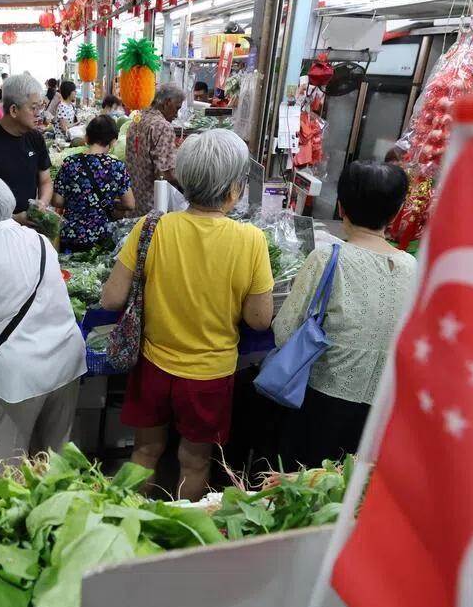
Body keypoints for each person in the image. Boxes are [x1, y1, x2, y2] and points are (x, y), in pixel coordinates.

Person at [100, 130, 275, 498]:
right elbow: (260, 319)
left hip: (153, 365)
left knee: (144, 452)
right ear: (234, 189)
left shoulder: (151, 228)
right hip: (210, 375)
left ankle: (129, 518)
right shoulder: (251, 241)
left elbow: (111, 299)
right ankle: (181, 525)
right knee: (194, 461)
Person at [274, 160, 416, 468]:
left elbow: (284, 333)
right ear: (396, 213)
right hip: (380, 414)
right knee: (349, 488)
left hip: (320, 406)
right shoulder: (412, 267)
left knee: (303, 483)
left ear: (341, 207)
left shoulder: (327, 257)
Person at [0, 169, 85, 468]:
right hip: (66, 357)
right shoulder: (41, 240)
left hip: (19, 373)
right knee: (56, 458)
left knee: (10, 465)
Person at [0, 73, 53, 217]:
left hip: (29, 224)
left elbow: (45, 181)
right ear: (13, 110)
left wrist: (42, 203)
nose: (39, 114)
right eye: (34, 108)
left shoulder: (35, 137)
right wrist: (14, 219)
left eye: (40, 107)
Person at [52, 115, 134, 250]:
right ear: (113, 141)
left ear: (86, 137)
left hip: (71, 235)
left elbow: (57, 201)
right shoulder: (116, 166)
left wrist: (78, 201)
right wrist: (110, 203)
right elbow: (129, 204)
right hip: (102, 237)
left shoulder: (70, 163)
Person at [126, 82, 184, 214]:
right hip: (154, 204)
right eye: (177, 108)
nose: (176, 115)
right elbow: (163, 173)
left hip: (135, 200)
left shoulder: (137, 120)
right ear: (167, 102)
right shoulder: (163, 127)